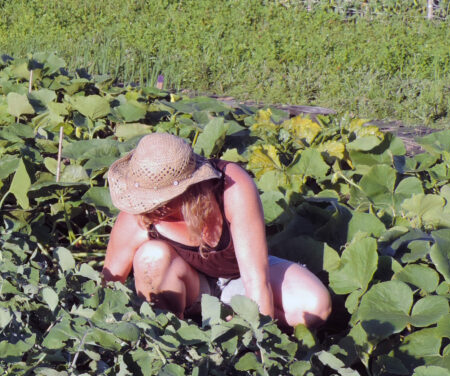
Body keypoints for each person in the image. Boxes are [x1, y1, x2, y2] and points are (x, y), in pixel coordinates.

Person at [101, 132, 331, 329]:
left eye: (160, 200)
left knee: (314, 306)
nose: (149, 207)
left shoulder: (230, 186)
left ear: (187, 189)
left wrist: (260, 345)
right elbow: (109, 283)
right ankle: (174, 332)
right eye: (145, 199)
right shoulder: (138, 214)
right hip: (190, 292)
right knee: (150, 257)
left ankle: (231, 323)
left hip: (239, 278)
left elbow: (255, 279)